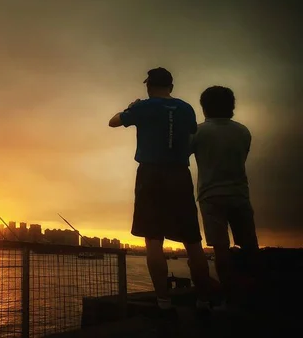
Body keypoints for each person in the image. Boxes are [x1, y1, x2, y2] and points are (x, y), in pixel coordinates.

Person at [109, 67, 211, 315]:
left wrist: (132, 107)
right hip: (179, 173)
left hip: (150, 174)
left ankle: (163, 301)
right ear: (171, 87)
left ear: (148, 86)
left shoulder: (143, 106)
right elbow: (189, 137)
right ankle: (204, 300)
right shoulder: (186, 108)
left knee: (153, 239)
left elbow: (113, 122)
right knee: (192, 240)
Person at [191, 86, 259, 305]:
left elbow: (184, 153)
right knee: (249, 244)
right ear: (232, 106)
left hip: (210, 196)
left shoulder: (198, 132)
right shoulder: (243, 131)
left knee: (221, 248)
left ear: (204, 108)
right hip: (240, 193)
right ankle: (252, 289)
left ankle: (228, 294)